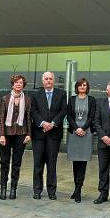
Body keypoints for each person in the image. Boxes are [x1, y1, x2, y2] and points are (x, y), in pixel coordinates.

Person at [31, 71, 67, 200]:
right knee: (38, 164)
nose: (48, 81)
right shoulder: (35, 95)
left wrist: (52, 123)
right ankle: (37, 190)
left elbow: (63, 111)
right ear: (42, 81)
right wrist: (42, 123)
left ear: (54, 80)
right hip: (39, 134)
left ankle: (52, 191)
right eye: (46, 79)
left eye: (50, 79)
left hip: (54, 134)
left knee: (52, 164)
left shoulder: (61, 94)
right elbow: (33, 111)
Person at [0, 74, 32, 200]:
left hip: (21, 134)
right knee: (4, 163)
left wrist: (29, 134)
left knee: (17, 163)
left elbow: (28, 117)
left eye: (21, 83)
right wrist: (1, 134)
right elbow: (1, 118)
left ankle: (13, 189)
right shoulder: (5, 98)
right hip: (6, 135)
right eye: (16, 82)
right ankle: (3, 189)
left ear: (23, 85)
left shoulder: (27, 99)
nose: (18, 84)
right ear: (12, 84)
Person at [66, 78, 96, 203]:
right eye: (80, 85)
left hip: (86, 133)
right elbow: (69, 116)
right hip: (74, 133)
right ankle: (76, 188)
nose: (82, 87)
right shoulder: (72, 99)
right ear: (77, 87)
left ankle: (78, 191)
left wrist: (83, 128)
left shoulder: (92, 100)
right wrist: (76, 128)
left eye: (84, 85)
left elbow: (92, 116)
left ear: (87, 87)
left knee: (83, 163)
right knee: (75, 162)